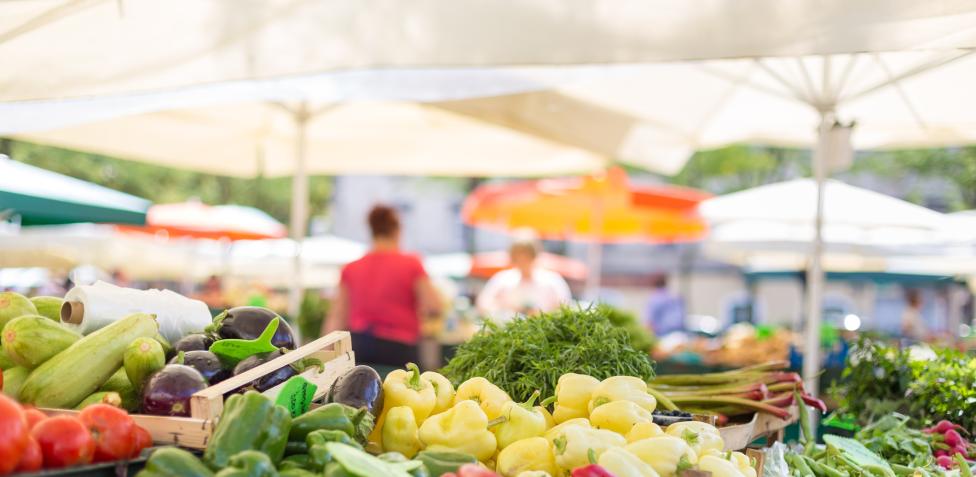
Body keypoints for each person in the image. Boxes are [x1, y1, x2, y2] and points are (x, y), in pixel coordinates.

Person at [323, 205, 441, 368]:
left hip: (359, 345)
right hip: (399, 347)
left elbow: (337, 316)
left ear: (371, 230)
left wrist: (325, 356)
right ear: (397, 231)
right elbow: (434, 306)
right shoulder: (411, 264)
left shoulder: (351, 268)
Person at [476, 236, 572, 323]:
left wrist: (542, 314)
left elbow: (565, 308)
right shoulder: (502, 280)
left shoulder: (552, 281)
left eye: (526, 256)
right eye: (518, 257)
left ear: (534, 256)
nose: (522, 261)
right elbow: (483, 304)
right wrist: (506, 310)